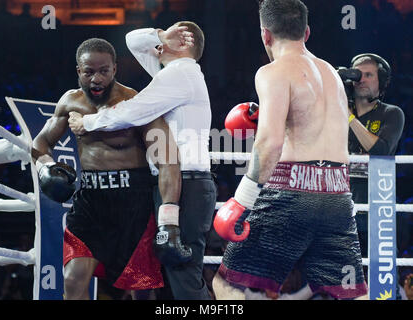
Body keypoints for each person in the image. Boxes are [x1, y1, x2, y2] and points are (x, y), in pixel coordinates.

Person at [212, 0, 368, 300]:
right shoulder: (332, 74)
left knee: (229, 285)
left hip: (290, 190)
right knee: (351, 294)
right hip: (337, 193)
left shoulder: (272, 72)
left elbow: (270, 143)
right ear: (306, 32)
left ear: (265, 35)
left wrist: (242, 200)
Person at [68, 21, 217, 300]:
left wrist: (87, 122)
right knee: (171, 274)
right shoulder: (170, 72)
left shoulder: (180, 74)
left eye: (171, 35)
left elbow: (132, 111)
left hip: (185, 182)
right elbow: (133, 39)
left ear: (184, 44)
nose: (157, 45)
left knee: (183, 273)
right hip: (174, 182)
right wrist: (162, 35)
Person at [31, 38, 181, 300]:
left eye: (104, 71)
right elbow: (40, 144)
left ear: (115, 70)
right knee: (73, 279)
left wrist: (168, 220)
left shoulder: (136, 103)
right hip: (90, 202)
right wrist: (47, 167)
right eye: (89, 72)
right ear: (79, 71)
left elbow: (167, 159)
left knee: (141, 290)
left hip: (133, 203)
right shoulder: (70, 103)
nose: (96, 79)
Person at [345, 54, 405, 256]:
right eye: (357, 74)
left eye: (368, 75)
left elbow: (381, 150)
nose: (361, 79)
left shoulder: (392, 113)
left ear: (381, 81)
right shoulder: (337, 114)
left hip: (377, 210)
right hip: (342, 207)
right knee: (337, 277)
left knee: (380, 280)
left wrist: (349, 117)